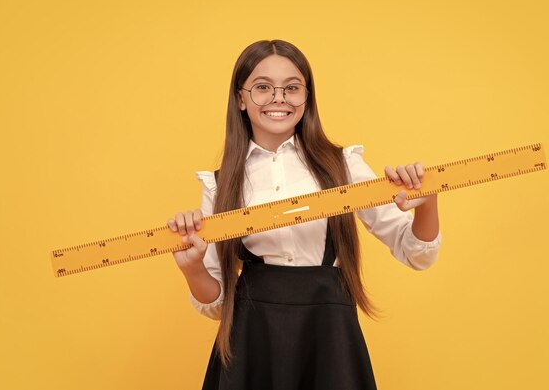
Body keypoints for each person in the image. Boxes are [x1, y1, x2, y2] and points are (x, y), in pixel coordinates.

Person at [166, 40, 442, 390]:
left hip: (329, 335)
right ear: (240, 98)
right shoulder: (221, 185)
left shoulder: (342, 166)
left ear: (307, 98)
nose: (278, 97)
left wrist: (427, 202)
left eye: (292, 88)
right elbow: (216, 305)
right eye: (263, 87)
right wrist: (191, 269)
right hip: (253, 337)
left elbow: (416, 252)